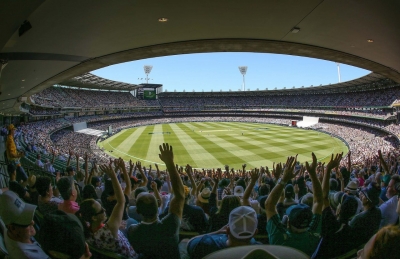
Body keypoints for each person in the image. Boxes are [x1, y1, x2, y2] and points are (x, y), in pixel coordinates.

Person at [128, 143, 185, 259]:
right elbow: (180, 196)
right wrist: (170, 163)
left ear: (138, 211)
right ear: (158, 205)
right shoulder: (170, 224)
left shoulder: (133, 231)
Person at [76, 161, 138, 258]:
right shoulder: (110, 229)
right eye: (101, 210)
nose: (104, 209)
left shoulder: (86, 230)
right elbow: (121, 201)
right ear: (94, 218)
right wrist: (113, 176)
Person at [266, 153, 323, 256]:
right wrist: (313, 174)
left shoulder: (279, 240)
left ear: (287, 223)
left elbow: (269, 205)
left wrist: (283, 179)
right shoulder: (313, 237)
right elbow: (319, 202)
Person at [187, 206, 260, 259]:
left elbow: (190, 243)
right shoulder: (260, 251)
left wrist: (217, 232)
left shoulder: (205, 245)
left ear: (227, 230)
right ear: (255, 232)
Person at [0, 190, 50, 259]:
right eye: (25, 220)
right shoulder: (29, 256)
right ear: (13, 229)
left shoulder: (9, 227)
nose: (32, 222)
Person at [349, 182, 382, 247]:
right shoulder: (378, 211)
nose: (361, 195)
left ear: (367, 199)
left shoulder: (358, 218)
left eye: (363, 194)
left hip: (356, 246)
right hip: (367, 243)